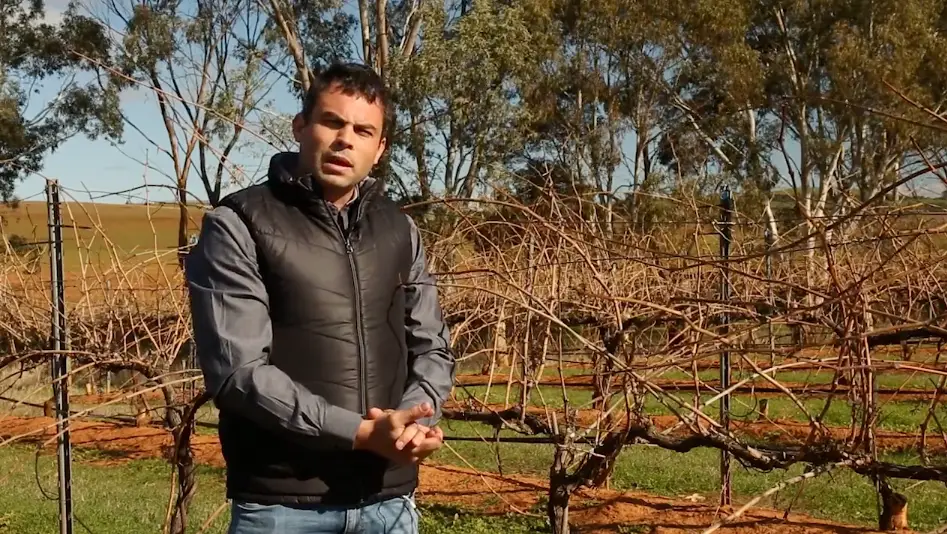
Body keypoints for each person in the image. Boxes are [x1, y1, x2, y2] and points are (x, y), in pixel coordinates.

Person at [185, 62, 456, 533]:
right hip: (282, 505)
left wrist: (415, 418)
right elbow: (238, 372)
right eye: (332, 122)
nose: (345, 139)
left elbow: (431, 345)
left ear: (380, 147)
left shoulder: (399, 230)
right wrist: (360, 433)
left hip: (387, 502)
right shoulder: (239, 223)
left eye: (363, 130)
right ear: (300, 126)